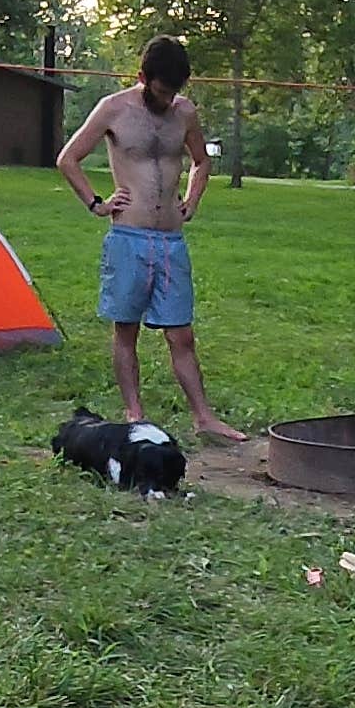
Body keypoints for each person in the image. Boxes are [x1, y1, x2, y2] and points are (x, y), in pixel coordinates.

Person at [61, 37, 222, 441]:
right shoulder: (113, 109)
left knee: (181, 334)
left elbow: (201, 161)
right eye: (161, 91)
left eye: (174, 92)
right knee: (126, 329)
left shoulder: (185, 112)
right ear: (142, 78)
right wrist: (96, 203)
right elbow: (68, 159)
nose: (168, 100)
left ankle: (204, 417)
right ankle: (134, 413)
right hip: (128, 237)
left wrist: (192, 200)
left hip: (170, 240)